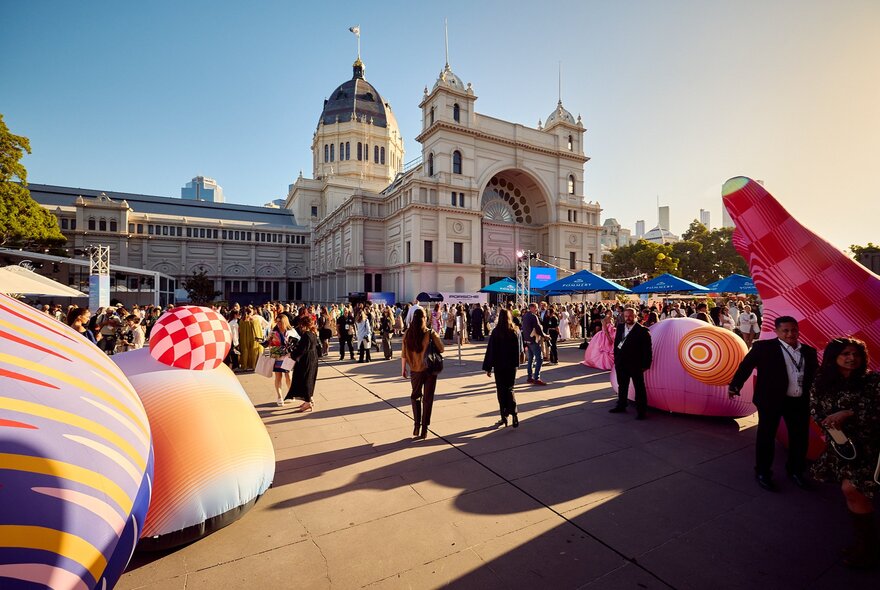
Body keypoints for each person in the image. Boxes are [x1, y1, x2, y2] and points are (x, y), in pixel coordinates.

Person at [809, 337, 880, 568]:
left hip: (871, 447)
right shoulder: (821, 382)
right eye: (846, 354)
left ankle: (867, 549)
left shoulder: (873, 381)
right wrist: (829, 423)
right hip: (842, 447)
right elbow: (815, 410)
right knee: (851, 493)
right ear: (834, 357)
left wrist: (848, 414)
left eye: (856, 354)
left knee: (852, 489)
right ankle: (865, 545)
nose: (852, 358)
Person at [728, 316, 818, 491]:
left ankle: (796, 472)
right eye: (785, 330)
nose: (790, 334)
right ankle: (762, 472)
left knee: (800, 438)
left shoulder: (809, 352)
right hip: (771, 400)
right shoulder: (764, 348)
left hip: (799, 401)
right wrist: (735, 385)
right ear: (776, 331)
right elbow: (746, 366)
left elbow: (815, 377)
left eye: (793, 330)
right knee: (766, 437)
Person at [401, 307, 445, 439]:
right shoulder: (430, 333)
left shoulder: (408, 334)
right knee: (428, 399)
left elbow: (403, 354)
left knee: (415, 396)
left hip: (415, 371)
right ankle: (425, 428)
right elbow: (441, 349)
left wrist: (403, 368)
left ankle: (416, 425)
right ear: (424, 319)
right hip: (430, 370)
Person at [609, 307, 653, 419]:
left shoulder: (643, 330)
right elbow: (617, 345)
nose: (628, 318)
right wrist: (616, 359)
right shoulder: (620, 327)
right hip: (621, 363)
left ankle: (641, 411)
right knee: (622, 386)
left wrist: (646, 365)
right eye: (626, 316)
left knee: (639, 388)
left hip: (636, 365)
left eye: (630, 316)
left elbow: (648, 350)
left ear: (636, 316)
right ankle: (621, 405)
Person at [482, 308, 521, 428]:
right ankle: (514, 413)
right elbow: (518, 350)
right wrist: (516, 364)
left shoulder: (496, 332)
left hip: (499, 365)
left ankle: (504, 416)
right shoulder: (515, 331)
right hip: (511, 365)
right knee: (510, 389)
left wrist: (488, 367)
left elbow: (491, 350)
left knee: (501, 390)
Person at [284, 315, 319, 412]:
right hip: (312, 359)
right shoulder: (312, 333)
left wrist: (291, 354)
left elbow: (301, 350)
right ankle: (309, 399)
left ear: (304, 325)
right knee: (310, 379)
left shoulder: (306, 335)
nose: (300, 327)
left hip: (306, 360)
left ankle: (308, 402)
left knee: (306, 380)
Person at [270, 315, 299, 406]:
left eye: (280, 322)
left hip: (288, 357)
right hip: (277, 357)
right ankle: (279, 397)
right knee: (278, 377)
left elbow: (298, 342)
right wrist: (268, 341)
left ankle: (291, 394)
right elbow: (269, 343)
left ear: (285, 322)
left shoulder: (291, 331)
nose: (278, 323)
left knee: (288, 377)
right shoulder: (274, 332)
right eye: (277, 321)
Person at [520, 302, 547, 385]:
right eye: (535, 308)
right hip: (533, 340)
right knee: (540, 358)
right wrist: (544, 335)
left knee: (531, 359)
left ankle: (529, 377)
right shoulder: (533, 316)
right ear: (531, 308)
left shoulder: (525, 316)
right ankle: (536, 378)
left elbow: (523, 328)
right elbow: (538, 327)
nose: (537, 309)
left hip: (527, 340)